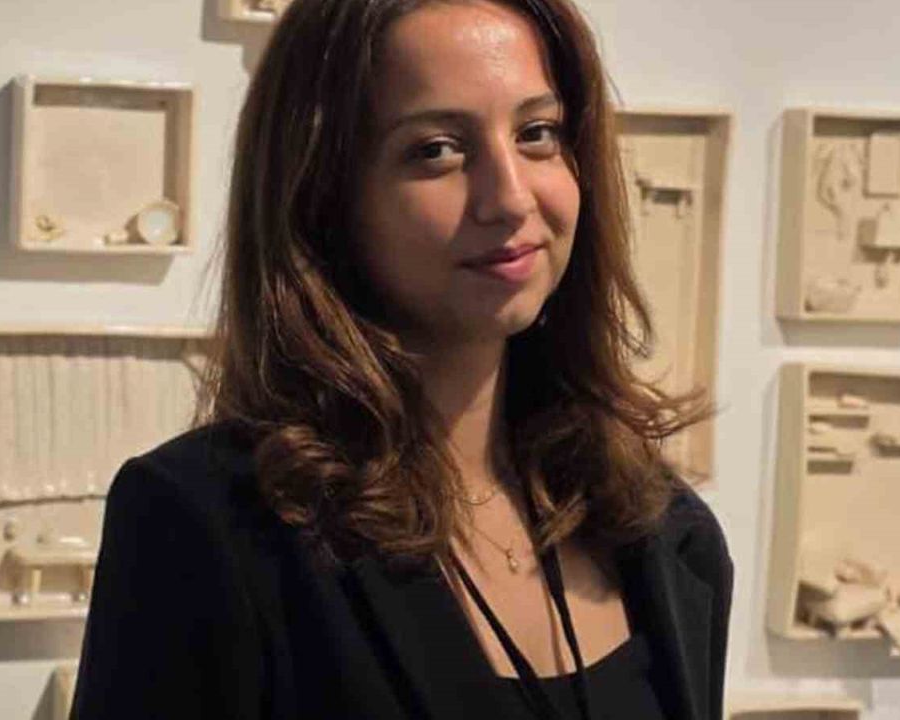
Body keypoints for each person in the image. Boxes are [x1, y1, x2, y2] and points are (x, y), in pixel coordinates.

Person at [70, 0, 732, 718]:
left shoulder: (667, 534)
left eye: (536, 133)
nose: (511, 198)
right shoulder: (208, 526)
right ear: (322, 198)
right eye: (436, 149)